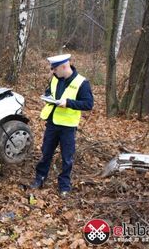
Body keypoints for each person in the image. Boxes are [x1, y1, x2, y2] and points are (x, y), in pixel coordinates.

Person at [29, 53, 94, 197]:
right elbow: (49, 91)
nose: (52, 71)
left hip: (68, 127)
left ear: (65, 66)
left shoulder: (82, 83)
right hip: (52, 123)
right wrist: (48, 98)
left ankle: (64, 185)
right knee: (46, 153)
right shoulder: (55, 79)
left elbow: (88, 104)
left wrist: (68, 103)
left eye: (55, 69)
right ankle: (40, 178)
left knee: (67, 158)